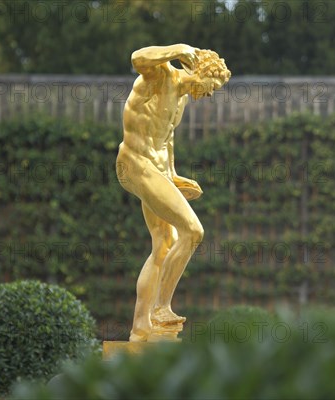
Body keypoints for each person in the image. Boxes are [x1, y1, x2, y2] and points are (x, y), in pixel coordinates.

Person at [115, 44, 231, 342]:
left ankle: (141, 329)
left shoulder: (180, 97)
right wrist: (179, 49)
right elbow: (136, 57)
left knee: (164, 243)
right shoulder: (160, 74)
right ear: (199, 72)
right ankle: (161, 308)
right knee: (192, 231)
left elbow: (165, 141)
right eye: (212, 85)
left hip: (153, 169)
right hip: (135, 163)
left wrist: (174, 177)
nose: (210, 93)